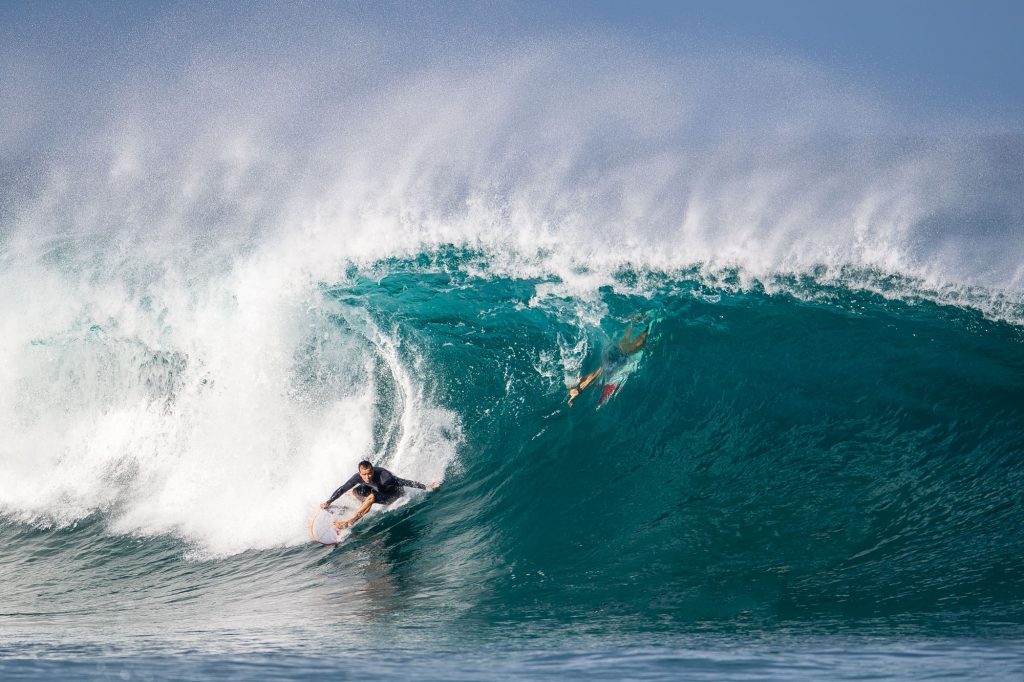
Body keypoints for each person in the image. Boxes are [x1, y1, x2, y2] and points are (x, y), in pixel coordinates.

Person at [320, 460, 439, 529]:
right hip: (376, 489)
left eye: (370, 473)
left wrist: (427, 486)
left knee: (371, 498)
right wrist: (328, 502)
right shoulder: (358, 477)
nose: (368, 477)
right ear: (360, 473)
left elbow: (406, 482)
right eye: (364, 474)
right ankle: (363, 506)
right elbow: (342, 489)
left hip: (393, 494)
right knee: (355, 491)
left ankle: (350, 521)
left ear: (372, 470)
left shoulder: (385, 478)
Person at [567, 323, 649, 407]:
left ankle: (637, 324)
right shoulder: (605, 369)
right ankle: (639, 325)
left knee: (596, 375)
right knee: (636, 343)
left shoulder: (605, 370)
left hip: (617, 352)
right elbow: (592, 377)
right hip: (616, 353)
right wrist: (578, 390)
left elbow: (593, 377)